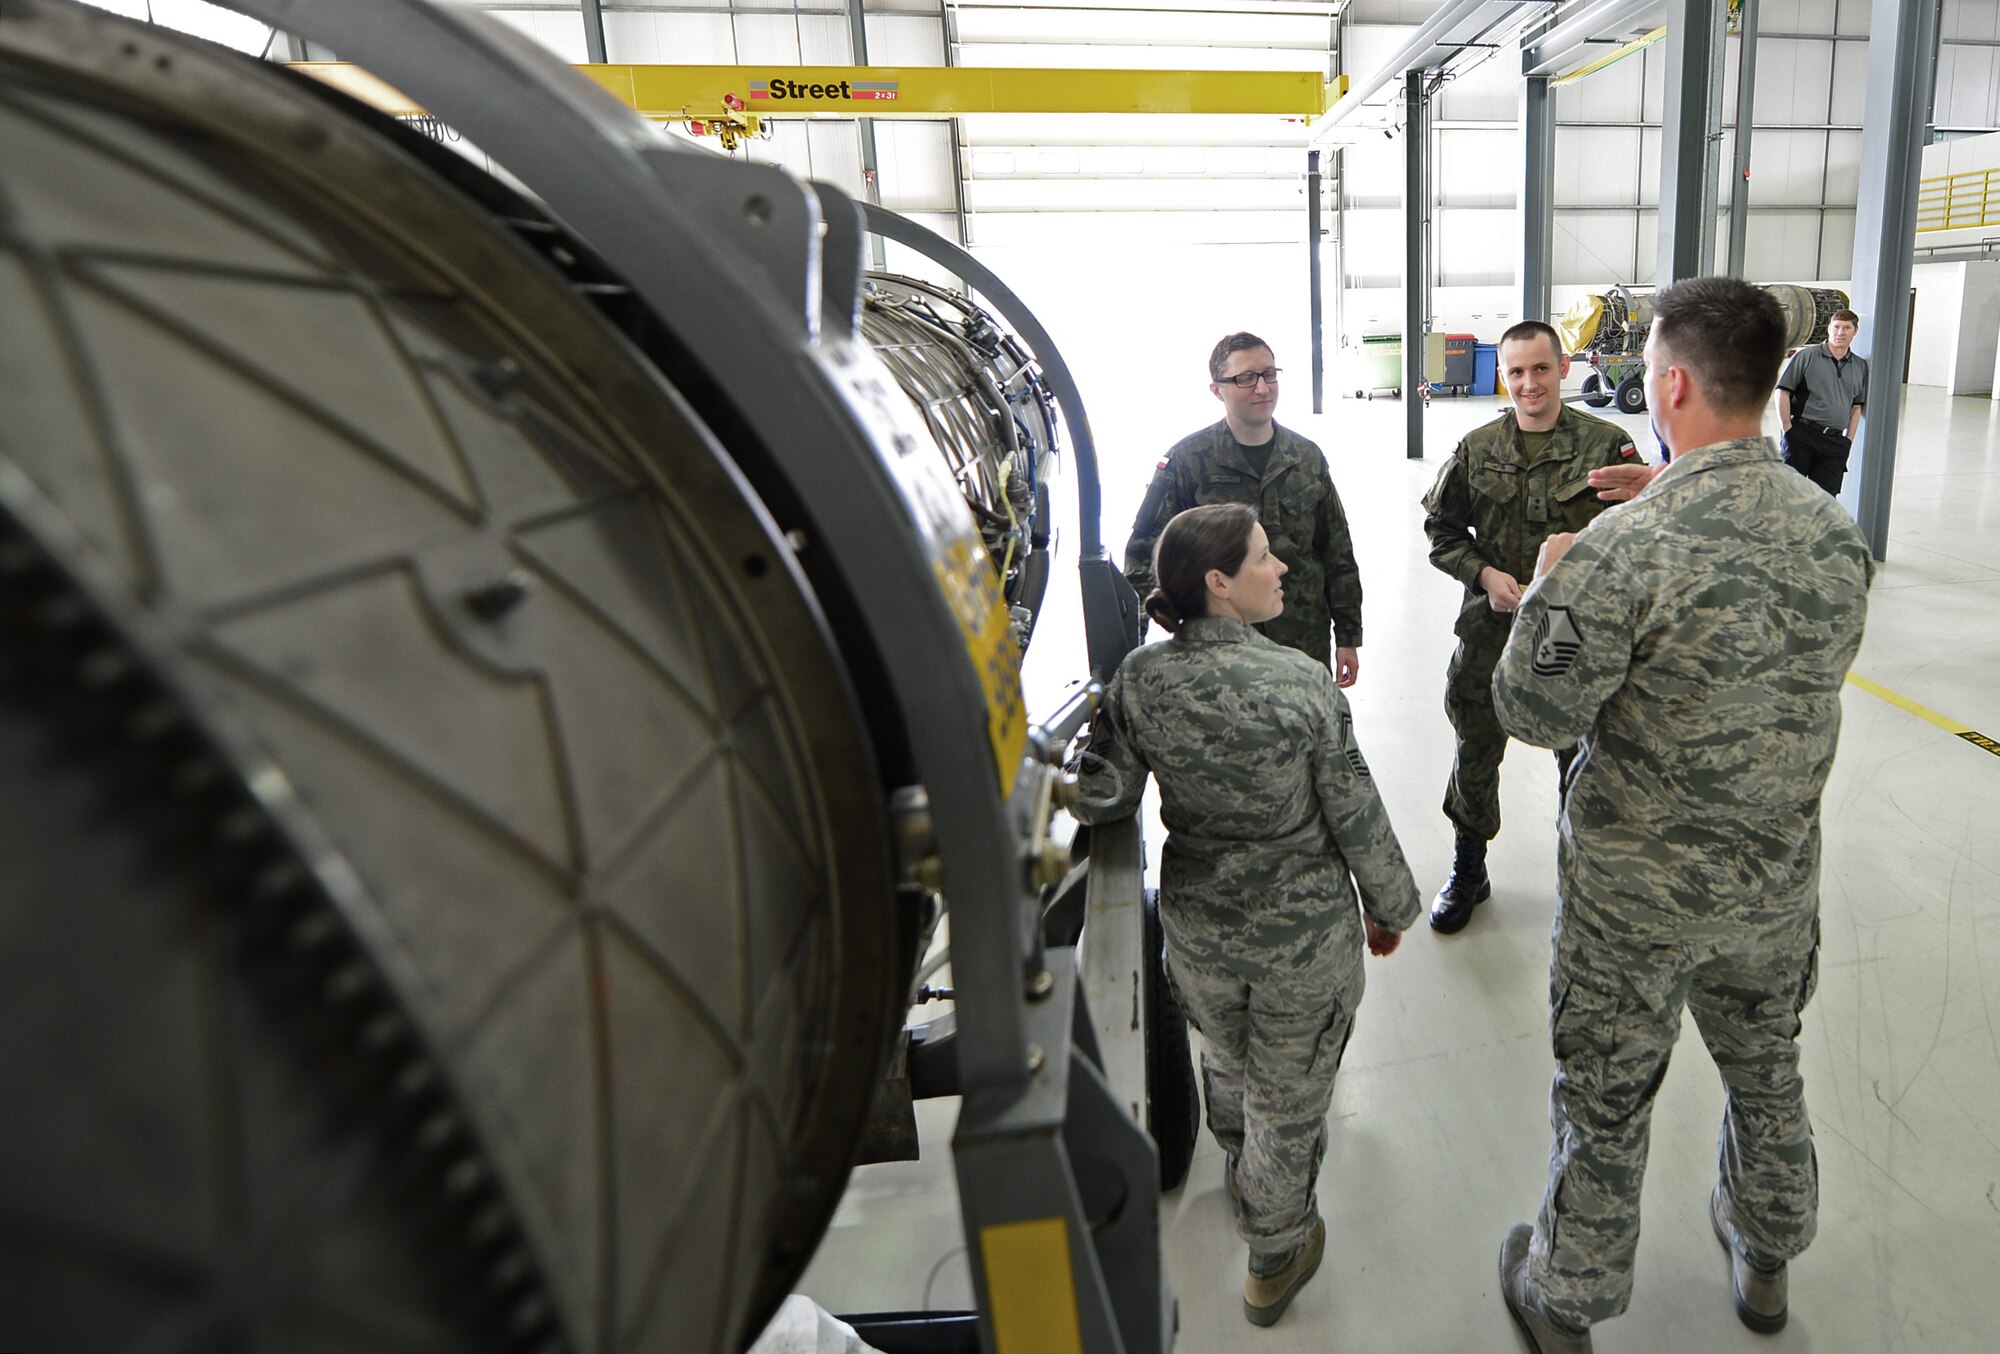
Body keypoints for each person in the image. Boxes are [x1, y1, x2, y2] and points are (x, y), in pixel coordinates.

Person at [1488, 277, 1873, 1354]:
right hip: (1769, 883)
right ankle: (1764, 1257)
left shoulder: (1620, 551)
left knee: (1604, 1095)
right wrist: (1663, 488)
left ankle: (1564, 1294)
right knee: (1765, 1068)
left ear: (1665, 383)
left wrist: (1557, 579)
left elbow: (1530, 706)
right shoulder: (1829, 534)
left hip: (1633, 896)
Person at [1072, 503, 1420, 1327]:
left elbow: (1105, 794)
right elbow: (1355, 810)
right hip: (1302, 938)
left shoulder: (1140, 681)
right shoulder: (1299, 681)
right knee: (1291, 1094)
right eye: (1265, 558)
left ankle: (1243, 1170)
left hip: (1200, 932)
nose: (1283, 570)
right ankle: (1276, 1251)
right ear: (1219, 584)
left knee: (1225, 1061)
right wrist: (1390, 906)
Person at [1418, 321, 1641, 933]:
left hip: (1571, 632)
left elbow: (1640, 538)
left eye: (1540, 369)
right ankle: (1470, 866)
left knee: (1583, 755)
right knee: (1476, 746)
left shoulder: (1607, 445)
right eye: (1515, 371)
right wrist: (1485, 573)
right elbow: (1441, 532)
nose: (1528, 383)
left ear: (1562, 368)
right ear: (1503, 375)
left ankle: (1587, 876)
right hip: (1491, 627)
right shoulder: (1477, 446)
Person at [1124, 332, 1364, 685]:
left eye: (1269, 374)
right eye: (1245, 378)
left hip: (1301, 641)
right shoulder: (1186, 463)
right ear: (1217, 389)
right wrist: (1179, 628)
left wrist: (1348, 635)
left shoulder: (1306, 457)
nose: (1263, 388)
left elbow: (1337, 551)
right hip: (1218, 651)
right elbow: (1142, 559)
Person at [1776, 308, 1867, 495]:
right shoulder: (1807, 356)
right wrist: (1787, 429)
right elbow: (1782, 391)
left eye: (1846, 328)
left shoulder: (1859, 366)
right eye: (1836, 327)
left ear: (1855, 331)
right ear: (1829, 329)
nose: (1840, 332)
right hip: (1802, 435)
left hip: (1835, 443)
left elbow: (1856, 406)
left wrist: (1848, 440)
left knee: (1826, 502)